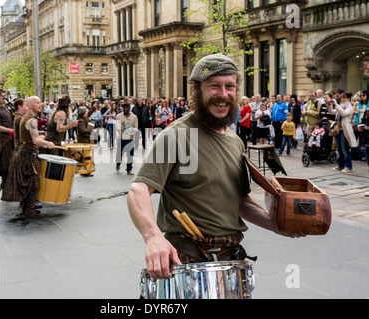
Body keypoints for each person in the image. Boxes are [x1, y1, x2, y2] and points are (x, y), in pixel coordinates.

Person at [127, 53, 303, 280]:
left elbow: (239, 201)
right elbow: (138, 191)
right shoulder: (176, 136)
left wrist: (279, 226)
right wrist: (152, 238)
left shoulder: (235, 141)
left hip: (230, 260)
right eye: (214, 86)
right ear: (195, 87)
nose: (223, 95)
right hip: (186, 260)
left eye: (229, 86)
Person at [1, 96, 55, 219]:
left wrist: (38, 134)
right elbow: (35, 140)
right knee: (34, 184)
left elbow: (29, 136)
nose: (40, 104)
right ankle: (29, 211)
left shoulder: (27, 118)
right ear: (30, 106)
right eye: (37, 102)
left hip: (23, 154)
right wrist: (48, 143)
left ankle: (27, 209)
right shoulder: (31, 120)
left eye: (40, 102)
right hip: (28, 156)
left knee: (28, 183)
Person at [328, 92, 358, 172]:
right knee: (339, 149)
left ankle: (348, 166)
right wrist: (330, 104)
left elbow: (343, 113)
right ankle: (340, 165)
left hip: (344, 130)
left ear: (348, 98)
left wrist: (336, 105)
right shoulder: (340, 106)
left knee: (345, 149)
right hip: (337, 130)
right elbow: (331, 112)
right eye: (341, 98)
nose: (342, 99)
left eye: (344, 97)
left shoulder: (350, 107)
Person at [115, 103, 138, 175]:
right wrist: (120, 132)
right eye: (124, 108)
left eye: (126, 108)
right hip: (121, 138)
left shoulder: (134, 117)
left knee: (130, 154)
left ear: (129, 108)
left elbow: (135, 127)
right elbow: (117, 126)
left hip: (130, 138)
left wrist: (132, 134)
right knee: (119, 153)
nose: (125, 109)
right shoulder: (119, 116)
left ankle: (129, 169)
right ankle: (118, 163)